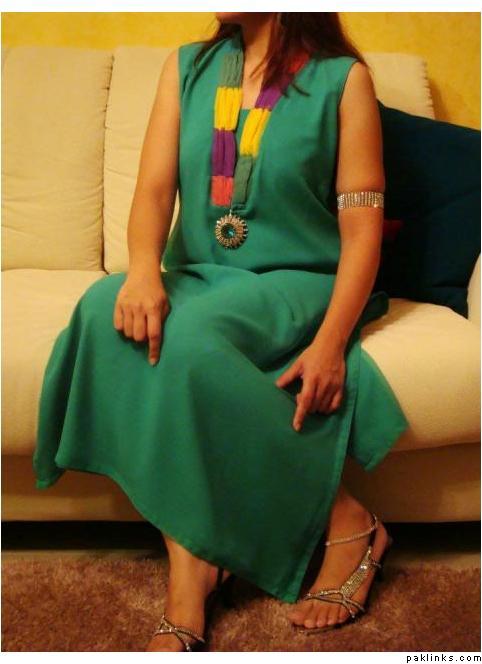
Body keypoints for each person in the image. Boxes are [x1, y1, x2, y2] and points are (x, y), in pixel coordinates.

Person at [33, 12, 409, 652]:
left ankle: (296, 541)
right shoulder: (187, 67)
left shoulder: (344, 81)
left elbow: (361, 232)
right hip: (202, 275)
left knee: (183, 339)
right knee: (103, 310)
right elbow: (155, 192)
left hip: (300, 277)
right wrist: (143, 272)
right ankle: (222, 549)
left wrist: (329, 343)